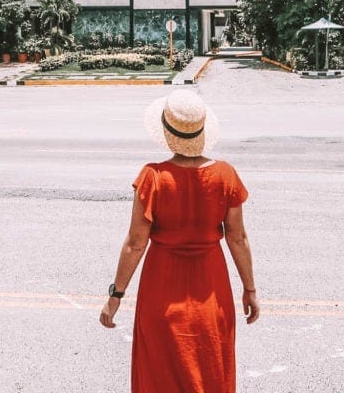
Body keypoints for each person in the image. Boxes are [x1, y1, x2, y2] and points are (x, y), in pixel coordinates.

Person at [99, 88, 259, 393]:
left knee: (160, 379)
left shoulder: (153, 177)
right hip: (211, 296)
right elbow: (237, 238)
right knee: (210, 375)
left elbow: (135, 243)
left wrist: (115, 296)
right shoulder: (225, 175)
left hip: (161, 293)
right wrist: (249, 289)